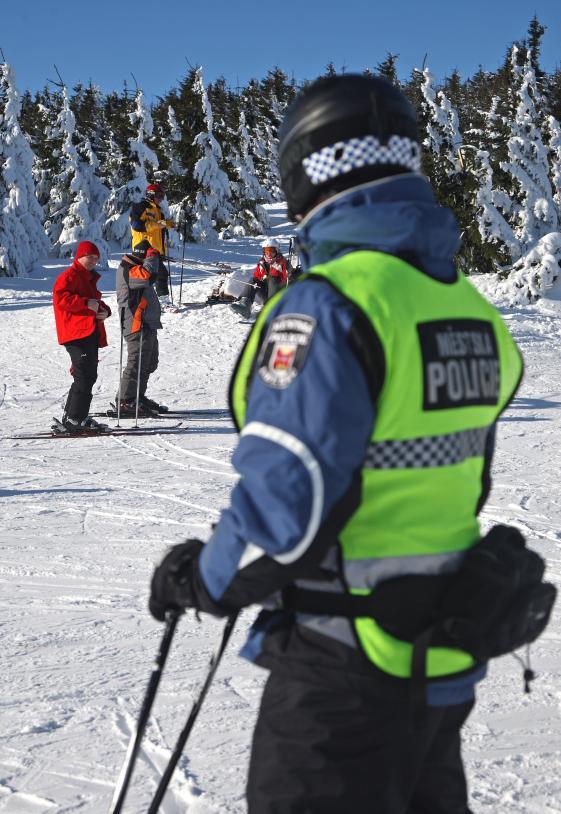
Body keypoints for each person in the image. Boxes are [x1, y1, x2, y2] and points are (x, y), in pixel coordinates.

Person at [149, 75, 525, 813]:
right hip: (437, 651)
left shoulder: (327, 306)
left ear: (306, 169)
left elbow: (286, 506)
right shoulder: (463, 305)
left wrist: (204, 578)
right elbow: (455, 471)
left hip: (341, 666)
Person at [52, 241, 111, 432]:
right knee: (84, 374)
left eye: (96, 258)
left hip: (88, 332)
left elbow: (96, 302)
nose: (94, 261)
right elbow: (61, 299)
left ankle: (75, 416)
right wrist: (86, 303)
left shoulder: (88, 278)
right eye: (90, 257)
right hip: (76, 333)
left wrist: (105, 311)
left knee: (87, 375)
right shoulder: (69, 276)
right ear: (79, 256)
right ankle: (75, 419)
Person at [115, 239, 166, 416]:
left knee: (149, 363)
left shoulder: (136, 266)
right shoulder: (128, 269)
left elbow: (155, 274)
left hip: (147, 323)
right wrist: (152, 258)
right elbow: (147, 275)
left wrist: (155, 258)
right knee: (136, 363)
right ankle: (125, 400)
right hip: (136, 323)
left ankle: (137, 396)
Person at [129, 183, 176, 299]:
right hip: (143, 248)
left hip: (154, 250)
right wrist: (160, 224)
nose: (161, 199)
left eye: (162, 196)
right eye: (159, 196)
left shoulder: (158, 211)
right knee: (159, 274)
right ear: (150, 195)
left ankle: (146, 300)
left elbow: (157, 232)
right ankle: (163, 302)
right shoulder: (140, 207)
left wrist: (167, 224)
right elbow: (136, 225)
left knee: (152, 275)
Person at [231, 238, 288, 318]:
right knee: (254, 280)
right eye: (266, 251)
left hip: (279, 296)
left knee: (272, 278)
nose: (269, 254)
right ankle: (245, 306)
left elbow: (286, 279)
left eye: (272, 250)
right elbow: (256, 277)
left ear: (277, 251)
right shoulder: (262, 263)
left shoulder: (283, 262)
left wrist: (272, 270)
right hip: (266, 294)